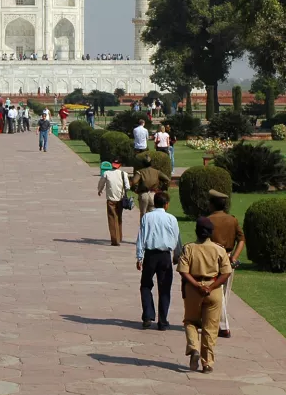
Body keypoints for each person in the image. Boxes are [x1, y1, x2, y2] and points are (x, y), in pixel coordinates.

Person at [177, 217, 233, 373]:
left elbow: (183, 271)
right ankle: (207, 363)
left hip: (193, 289)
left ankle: (194, 348)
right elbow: (226, 272)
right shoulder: (219, 249)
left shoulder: (189, 248)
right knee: (210, 328)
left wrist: (197, 286)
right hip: (213, 289)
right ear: (211, 233)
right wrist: (210, 287)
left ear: (196, 231)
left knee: (190, 321)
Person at [135, 192, 182, 330]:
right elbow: (176, 238)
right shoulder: (171, 219)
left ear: (154, 203)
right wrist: (177, 255)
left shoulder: (147, 217)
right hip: (165, 256)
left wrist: (139, 257)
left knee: (145, 285)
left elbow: (141, 237)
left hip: (150, 255)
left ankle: (148, 315)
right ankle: (162, 321)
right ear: (166, 204)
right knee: (165, 287)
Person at [206, 190, 245, 338]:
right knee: (224, 294)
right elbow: (241, 240)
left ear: (212, 204)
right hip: (228, 258)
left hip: (213, 259)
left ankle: (223, 326)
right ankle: (217, 322)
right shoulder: (232, 220)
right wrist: (234, 256)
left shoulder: (208, 220)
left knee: (216, 292)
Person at [97, 159, 130, 246]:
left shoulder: (106, 173)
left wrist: (100, 190)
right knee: (119, 217)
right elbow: (127, 187)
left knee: (112, 218)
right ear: (120, 165)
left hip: (111, 199)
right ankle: (119, 237)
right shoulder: (123, 174)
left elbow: (101, 183)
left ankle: (115, 240)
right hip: (120, 199)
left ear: (112, 165)